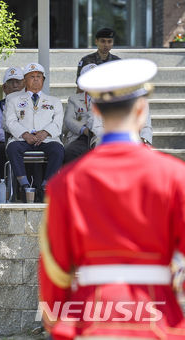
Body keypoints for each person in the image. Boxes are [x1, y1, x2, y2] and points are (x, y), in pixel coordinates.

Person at [39, 58, 185, 339]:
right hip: (159, 317)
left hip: (92, 318)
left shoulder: (65, 184)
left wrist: (59, 324)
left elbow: (55, 271)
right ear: (142, 109)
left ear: (95, 109)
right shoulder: (175, 176)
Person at [5, 62, 64, 203]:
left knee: (58, 150)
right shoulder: (14, 100)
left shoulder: (54, 101)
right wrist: (25, 134)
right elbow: (11, 122)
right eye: (32, 76)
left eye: (39, 76)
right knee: (12, 148)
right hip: (23, 139)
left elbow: (57, 123)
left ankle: (46, 186)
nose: (36, 79)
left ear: (43, 80)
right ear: (25, 80)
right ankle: (25, 185)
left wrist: (45, 133)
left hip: (46, 139)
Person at [63, 63, 98, 163]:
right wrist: (84, 130)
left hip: (101, 135)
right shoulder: (74, 99)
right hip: (81, 137)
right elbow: (68, 120)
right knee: (70, 152)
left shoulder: (108, 98)